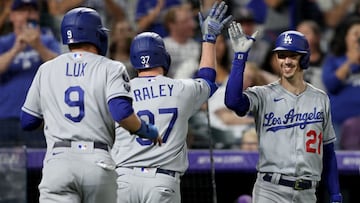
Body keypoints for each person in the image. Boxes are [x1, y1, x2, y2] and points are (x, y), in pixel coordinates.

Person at [20, 7, 161, 203]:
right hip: (97, 162)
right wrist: (148, 131)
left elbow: (28, 120)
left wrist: (57, 118)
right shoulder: (110, 67)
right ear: (98, 35)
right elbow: (121, 113)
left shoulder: (47, 68)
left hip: (57, 162)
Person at [111, 1, 232, 202]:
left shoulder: (119, 91)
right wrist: (209, 39)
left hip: (123, 180)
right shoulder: (180, 89)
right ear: (164, 57)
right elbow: (208, 79)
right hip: (161, 181)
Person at [225, 22, 342, 203]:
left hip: (307, 192)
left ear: (304, 58)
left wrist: (335, 193)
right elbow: (233, 102)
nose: (286, 61)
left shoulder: (320, 98)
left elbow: (328, 151)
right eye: (282, 55)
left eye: (292, 56)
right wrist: (239, 57)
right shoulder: (263, 94)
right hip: (270, 189)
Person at [0, 0, 61, 148]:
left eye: (32, 11)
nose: (27, 15)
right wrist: (16, 49)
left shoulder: (48, 41)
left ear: (38, 16)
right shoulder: (3, 43)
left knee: (38, 168)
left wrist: (38, 46)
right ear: (12, 16)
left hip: (38, 119)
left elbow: (61, 68)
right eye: (21, 11)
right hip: (5, 118)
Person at [322, 16, 360, 148]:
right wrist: (350, 62)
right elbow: (331, 84)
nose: (358, 38)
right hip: (338, 122)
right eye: (355, 33)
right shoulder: (334, 59)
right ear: (346, 37)